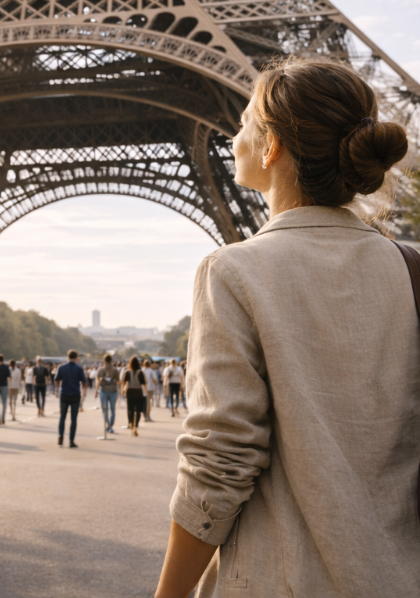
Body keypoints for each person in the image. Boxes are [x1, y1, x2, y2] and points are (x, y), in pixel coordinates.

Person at [155, 59, 420, 598]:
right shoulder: (413, 270)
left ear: (271, 145)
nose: (234, 137)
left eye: (246, 121)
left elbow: (219, 464)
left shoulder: (232, 271)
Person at [54, 349, 87, 448]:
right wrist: (83, 392)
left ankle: (60, 436)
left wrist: (57, 389)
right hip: (75, 395)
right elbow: (84, 382)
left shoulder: (61, 367)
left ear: (67, 357)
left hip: (64, 394)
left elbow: (56, 380)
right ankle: (71, 441)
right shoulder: (79, 369)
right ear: (76, 358)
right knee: (73, 419)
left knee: (62, 417)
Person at [122, 356, 147, 436]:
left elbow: (124, 383)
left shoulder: (127, 372)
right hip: (138, 391)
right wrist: (146, 393)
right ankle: (136, 426)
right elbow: (144, 384)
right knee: (138, 410)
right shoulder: (141, 372)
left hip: (130, 391)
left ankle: (131, 424)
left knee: (130, 409)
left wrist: (123, 391)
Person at [94, 353, 119, 433]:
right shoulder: (115, 370)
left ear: (104, 361)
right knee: (113, 410)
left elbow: (98, 381)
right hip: (113, 391)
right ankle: (111, 426)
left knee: (105, 410)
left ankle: (107, 425)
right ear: (111, 360)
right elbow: (118, 382)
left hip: (103, 391)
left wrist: (96, 391)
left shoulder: (101, 370)